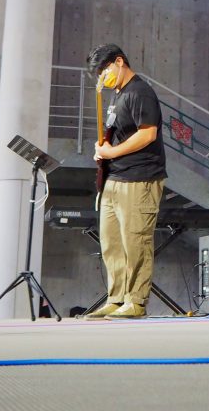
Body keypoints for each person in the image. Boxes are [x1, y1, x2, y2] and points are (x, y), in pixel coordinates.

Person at [84, 43, 167, 320]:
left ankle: (136, 301)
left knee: (136, 243)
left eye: (104, 70)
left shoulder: (140, 92)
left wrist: (112, 152)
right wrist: (104, 149)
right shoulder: (117, 96)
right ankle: (116, 297)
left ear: (119, 61)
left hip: (139, 179)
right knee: (111, 244)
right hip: (114, 178)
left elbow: (147, 134)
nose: (102, 77)